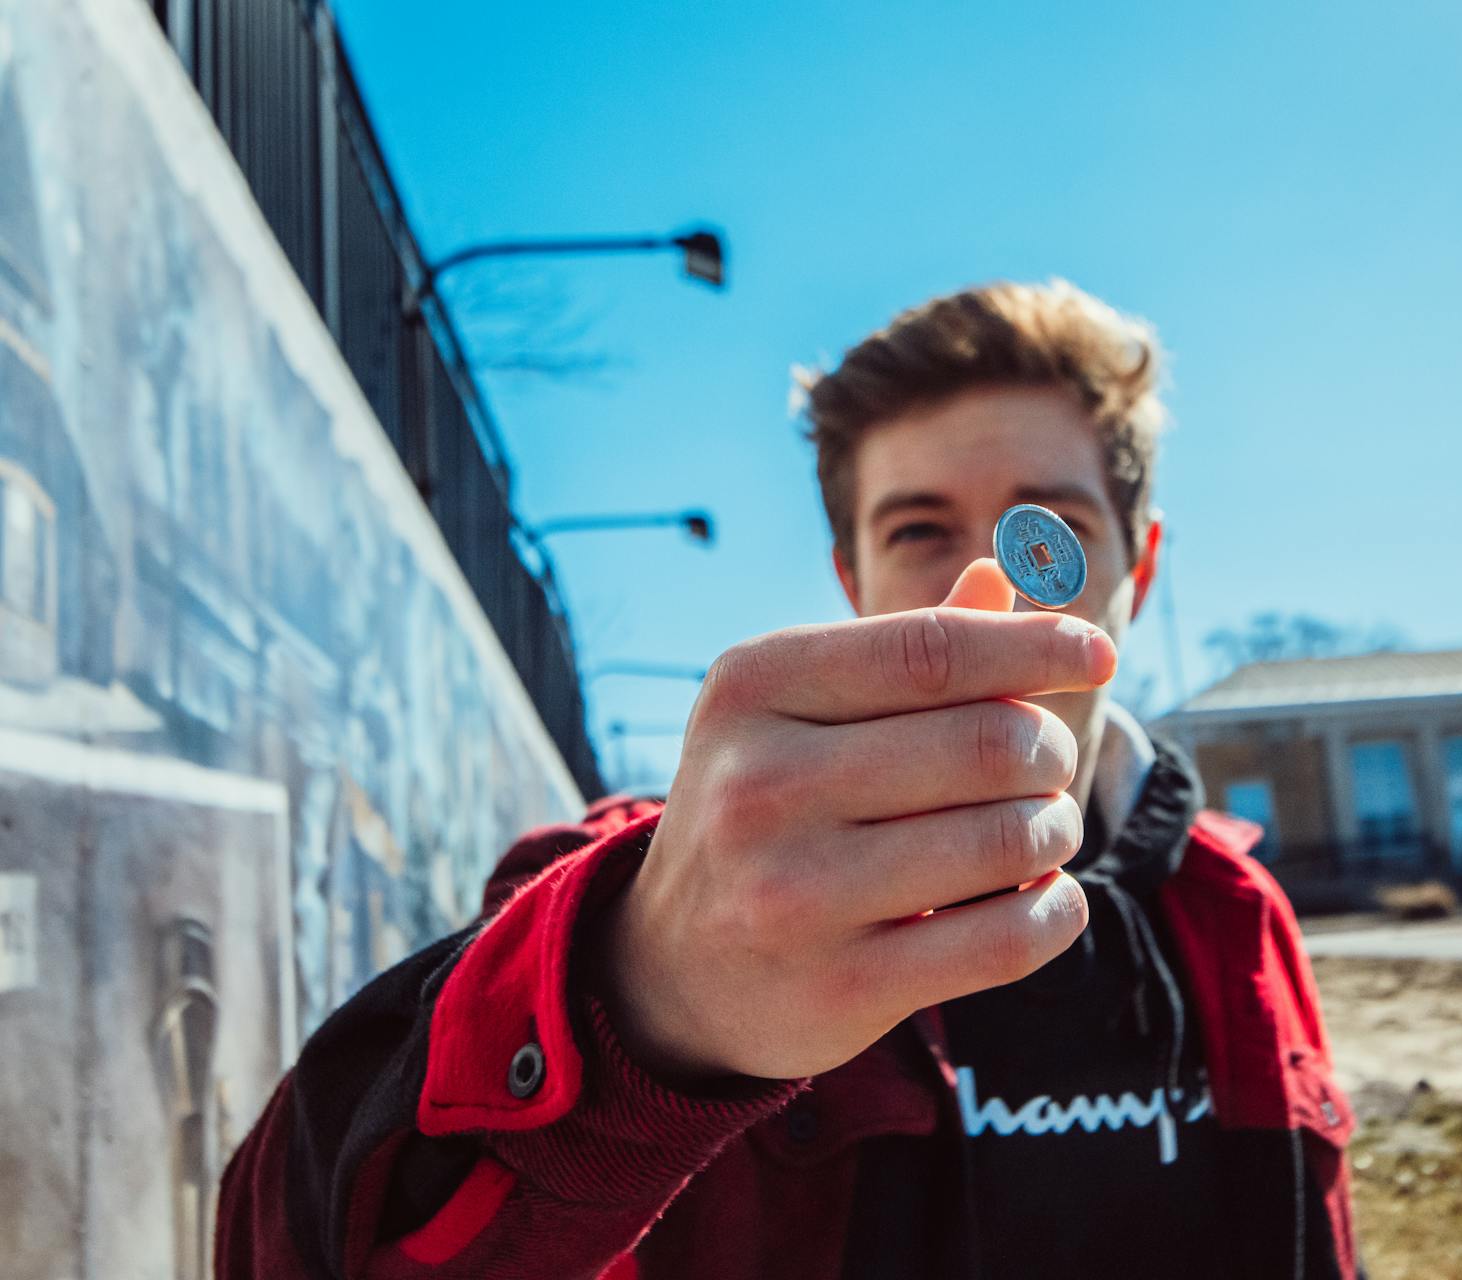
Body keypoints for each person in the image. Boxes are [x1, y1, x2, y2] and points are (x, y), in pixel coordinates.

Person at [217, 280, 1361, 1279]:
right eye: (920, 529)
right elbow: (293, 1238)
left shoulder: (1233, 910)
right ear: (848, 575)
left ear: (1138, 567)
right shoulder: (656, 891)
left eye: (1045, 527)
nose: (990, 583)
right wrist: (642, 995)